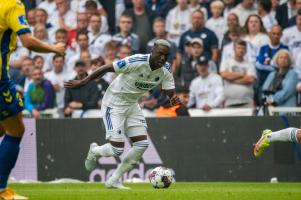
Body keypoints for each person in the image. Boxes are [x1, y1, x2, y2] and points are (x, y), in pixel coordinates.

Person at [64, 39, 180, 189]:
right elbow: (106, 67)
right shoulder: (136, 61)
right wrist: (83, 81)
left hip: (132, 105)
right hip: (114, 103)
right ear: (152, 51)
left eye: (166, 55)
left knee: (142, 144)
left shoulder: (166, 69)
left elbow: (168, 87)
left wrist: (172, 97)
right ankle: (95, 151)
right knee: (117, 150)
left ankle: (114, 180)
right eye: (159, 54)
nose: (163, 58)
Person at [0, 1, 65, 199]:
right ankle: (1, 190)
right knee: (16, 129)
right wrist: (54, 48)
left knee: (2, 127)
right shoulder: (11, 4)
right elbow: (27, 41)